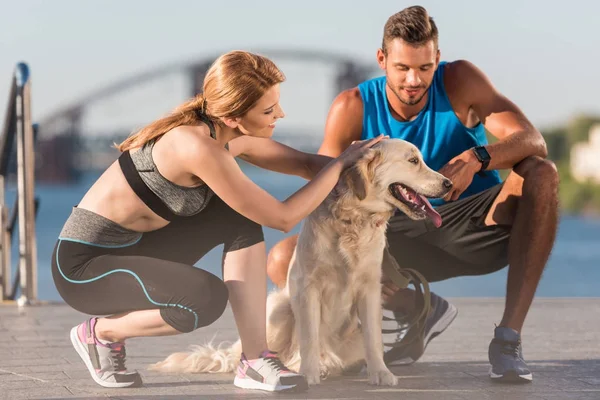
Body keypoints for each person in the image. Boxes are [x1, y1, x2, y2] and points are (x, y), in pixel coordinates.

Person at [51, 50, 385, 392]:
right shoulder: (194, 146)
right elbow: (282, 218)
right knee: (203, 300)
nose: (280, 114)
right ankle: (100, 333)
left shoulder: (223, 134)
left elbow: (305, 164)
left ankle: (255, 361)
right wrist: (338, 166)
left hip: (138, 247)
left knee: (236, 217)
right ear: (234, 117)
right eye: (269, 111)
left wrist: (374, 165)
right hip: (83, 269)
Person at [266, 6, 559, 383]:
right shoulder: (352, 105)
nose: (413, 80)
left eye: (424, 68)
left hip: (470, 222)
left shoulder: (460, 80)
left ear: (437, 58)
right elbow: (326, 187)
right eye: (402, 67)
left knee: (542, 173)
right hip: (393, 233)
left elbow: (533, 140)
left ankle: (507, 340)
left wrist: (477, 157)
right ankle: (417, 307)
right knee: (283, 258)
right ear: (381, 59)